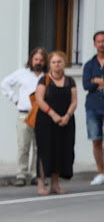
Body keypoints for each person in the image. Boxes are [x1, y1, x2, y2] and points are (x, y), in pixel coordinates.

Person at [1, 47, 47, 186]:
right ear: (31, 60)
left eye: (41, 60)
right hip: (25, 114)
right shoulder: (22, 73)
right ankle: (21, 174)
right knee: (23, 146)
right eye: (36, 59)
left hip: (42, 114)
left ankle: (35, 175)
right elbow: (5, 83)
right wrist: (15, 99)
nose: (38, 62)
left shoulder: (47, 76)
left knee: (39, 147)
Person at [34, 51, 77, 196]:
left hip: (65, 121)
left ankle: (55, 185)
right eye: (53, 62)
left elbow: (74, 102)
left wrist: (67, 116)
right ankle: (41, 185)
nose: (56, 65)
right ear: (49, 64)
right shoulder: (44, 80)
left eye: (59, 62)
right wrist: (53, 115)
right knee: (44, 151)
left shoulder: (70, 81)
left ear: (64, 63)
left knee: (60, 150)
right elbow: (39, 100)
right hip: (46, 121)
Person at [82, 31, 104, 186]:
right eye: (99, 41)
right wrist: (98, 83)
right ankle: (101, 172)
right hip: (93, 107)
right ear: (94, 44)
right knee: (96, 141)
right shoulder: (89, 65)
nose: (102, 44)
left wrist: (96, 80)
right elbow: (86, 85)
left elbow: (92, 83)